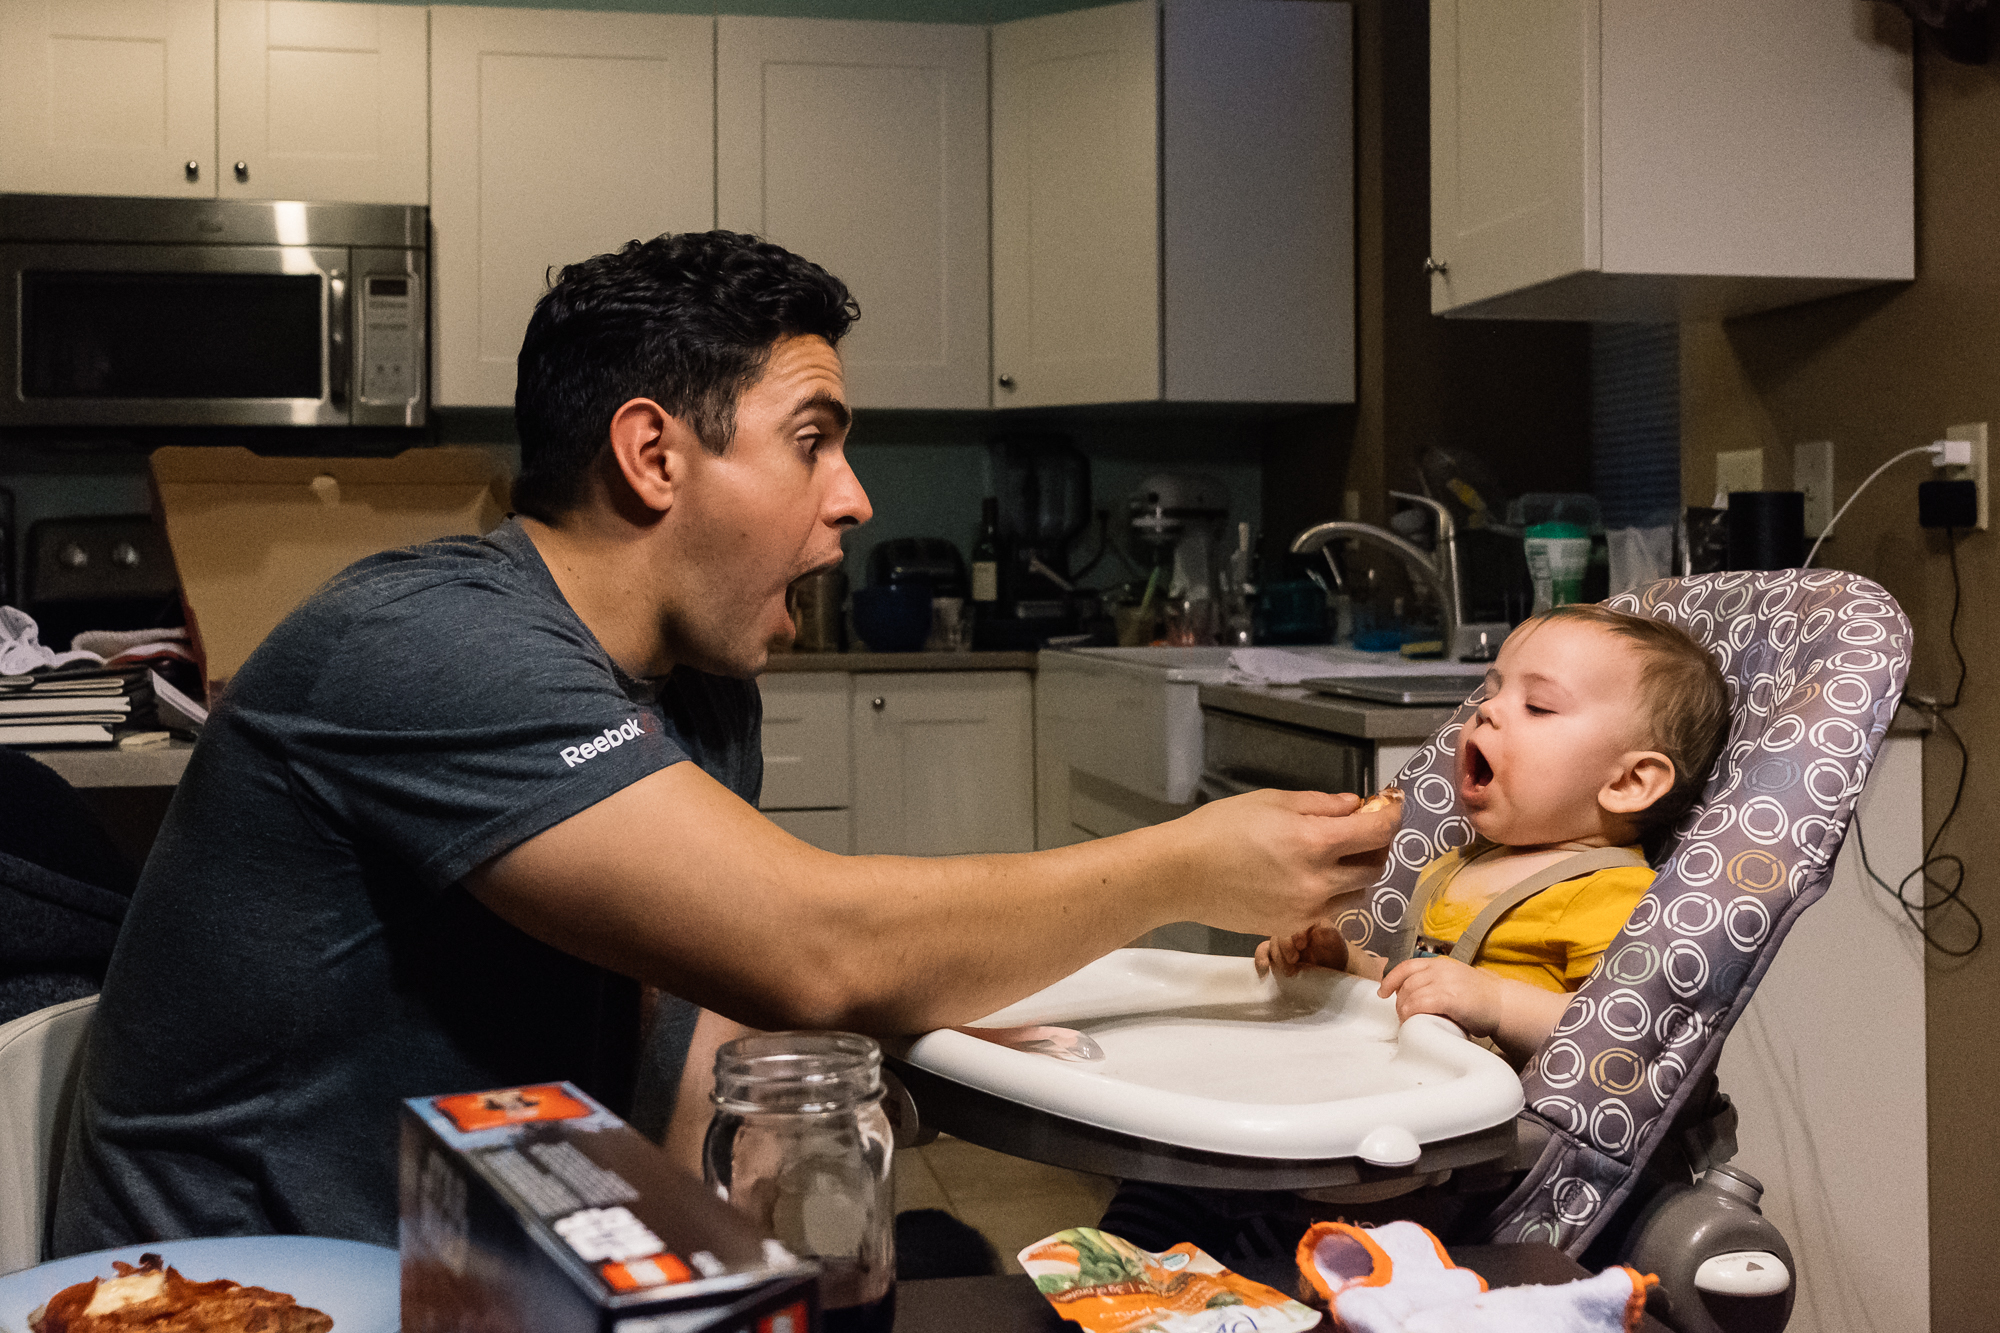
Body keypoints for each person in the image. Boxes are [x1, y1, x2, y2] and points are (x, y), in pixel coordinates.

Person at [53, 232, 1399, 1253]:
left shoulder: (693, 686)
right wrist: (1184, 869)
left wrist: (790, 1166)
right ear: (653, 455)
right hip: (251, 1288)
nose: (856, 499)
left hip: (488, 1257)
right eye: (812, 442)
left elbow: (702, 1011)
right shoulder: (427, 645)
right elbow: (811, 939)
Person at [1256, 602, 1732, 1064]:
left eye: (1538, 706)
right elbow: (1421, 988)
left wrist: (1497, 1005)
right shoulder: (1457, 864)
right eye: (1489, 693)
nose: (1487, 712)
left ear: (1628, 783)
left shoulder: (1612, 894)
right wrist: (1344, 966)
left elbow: (1617, 1034)